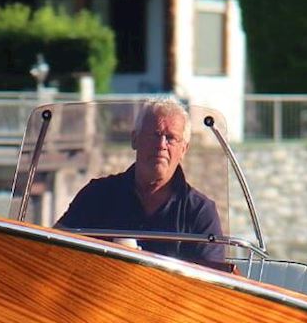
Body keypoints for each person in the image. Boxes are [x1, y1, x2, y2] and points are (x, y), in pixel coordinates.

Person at [55, 97, 226, 267]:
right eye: (155, 135)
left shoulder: (200, 213)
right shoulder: (97, 195)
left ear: (184, 149)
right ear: (135, 139)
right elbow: (51, 248)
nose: (161, 145)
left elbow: (212, 285)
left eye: (171, 138)